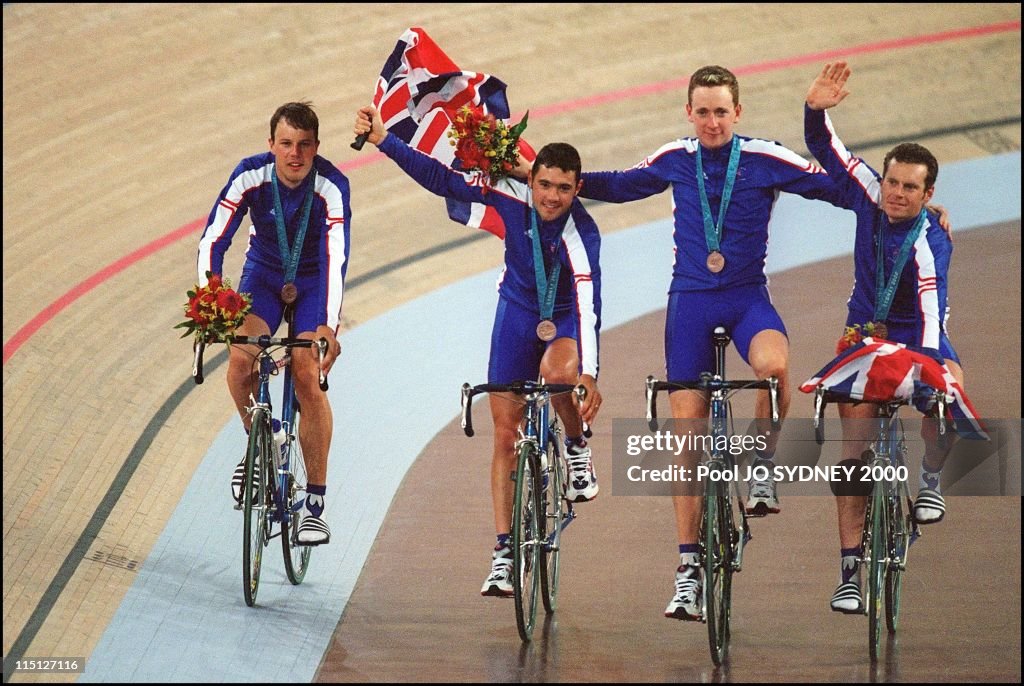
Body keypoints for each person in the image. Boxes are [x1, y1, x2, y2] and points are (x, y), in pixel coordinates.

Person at [575, 65, 852, 621]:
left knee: (774, 369)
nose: (711, 121)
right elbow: (615, 185)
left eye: (721, 110)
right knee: (687, 436)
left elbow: (840, 190)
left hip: (748, 298)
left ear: (738, 113)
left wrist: (912, 213)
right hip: (690, 305)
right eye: (701, 110)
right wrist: (537, 170)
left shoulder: (766, 158)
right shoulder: (674, 158)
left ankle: (764, 464)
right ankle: (686, 570)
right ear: (688, 112)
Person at [354, 105, 603, 597]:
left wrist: (590, 373)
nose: (552, 197)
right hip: (516, 311)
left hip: (567, 317)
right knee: (505, 439)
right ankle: (505, 553)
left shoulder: (581, 234)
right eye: (545, 185)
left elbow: (591, 303)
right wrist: (385, 140)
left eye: (563, 188)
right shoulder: (510, 196)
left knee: (557, 378)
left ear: (577, 190)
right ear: (532, 180)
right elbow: (440, 178)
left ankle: (576, 446)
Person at [804, 62, 964, 613]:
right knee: (854, 450)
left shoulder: (930, 243)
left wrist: (928, 373)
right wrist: (815, 108)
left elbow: (928, 314)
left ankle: (929, 478)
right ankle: (849, 569)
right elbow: (828, 151)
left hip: (919, 334)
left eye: (910, 188)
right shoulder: (870, 194)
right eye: (892, 181)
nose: (896, 193)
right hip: (864, 333)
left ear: (928, 194)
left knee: (947, 393)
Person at [196, 101, 350, 546]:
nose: (295, 154)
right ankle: (262, 439)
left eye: (304, 145)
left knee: (306, 373)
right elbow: (213, 239)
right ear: (271, 145)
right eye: (286, 144)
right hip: (263, 275)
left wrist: (329, 327)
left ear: (316, 147)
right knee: (241, 363)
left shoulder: (332, 185)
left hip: (312, 280)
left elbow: (337, 255)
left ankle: (315, 506)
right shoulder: (250, 174)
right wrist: (211, 298)